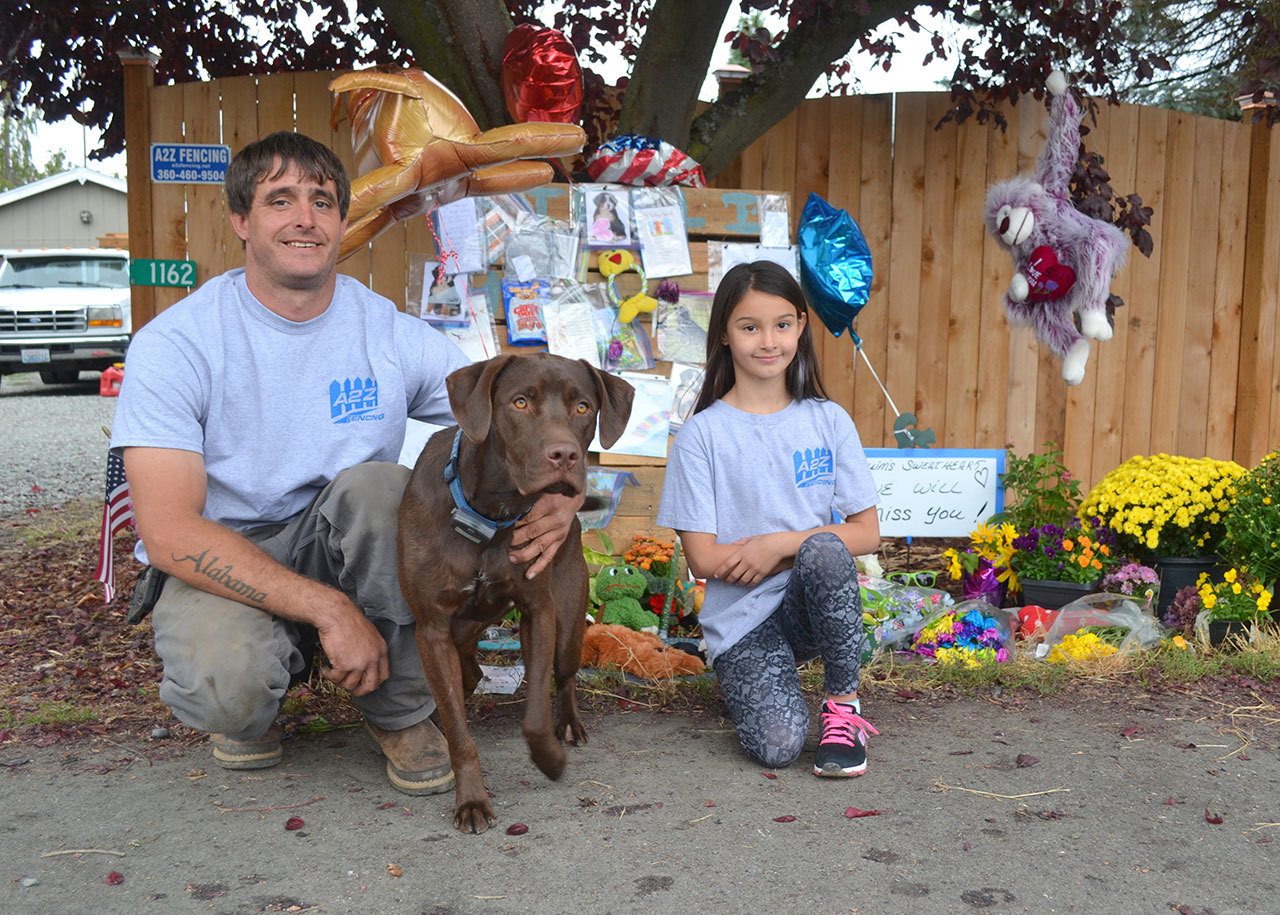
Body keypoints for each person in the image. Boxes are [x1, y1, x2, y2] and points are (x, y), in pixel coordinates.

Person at [110, 131, 581, 793]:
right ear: (242, 221)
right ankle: (269, 672)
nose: (305, 217)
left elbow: (511, 404)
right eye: (280, 200)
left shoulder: (383, 329)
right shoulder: (177, 344)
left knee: (385, 491)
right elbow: (169, 532)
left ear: (340, 221)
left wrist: (555, 493)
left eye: (322, 201)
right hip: (227, 551)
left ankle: (400, 710)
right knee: (229, 689)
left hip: (343, 539)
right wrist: (331, 611)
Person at [655, 261, 881, 777]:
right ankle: (750, 677)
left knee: (823, 549)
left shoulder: (828, 420)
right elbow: (705, 558)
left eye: (782, 324)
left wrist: (776, 545)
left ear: (801, 327)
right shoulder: (702, 437)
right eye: (749, 327)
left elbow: (866, 533)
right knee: (779, 747)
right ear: (725, 336)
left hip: (806, 606)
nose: (768, 341)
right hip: (742, 623)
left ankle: (843, 710)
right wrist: (775, 552)